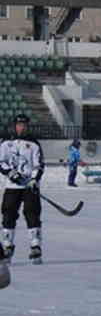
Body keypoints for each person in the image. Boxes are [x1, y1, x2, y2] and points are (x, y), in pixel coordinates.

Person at [0, 113, 45, 264]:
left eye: (24, 125)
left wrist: (33, 180)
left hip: (29, 187)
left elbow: (39, 165)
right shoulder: (6, 143)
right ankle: (7, 246)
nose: (22, 127)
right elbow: (1, 162)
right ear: (15, 126)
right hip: (12, 186)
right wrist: (10, 172)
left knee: (32, 213)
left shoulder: (34, 144)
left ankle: (35, 246)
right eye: (19, 124)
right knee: (8, 213)